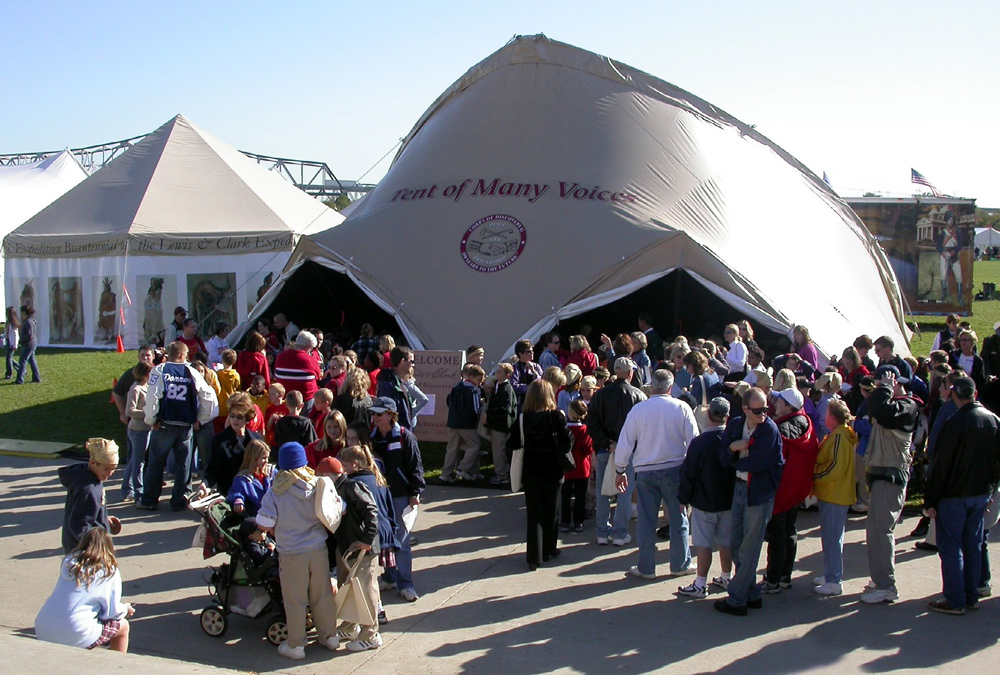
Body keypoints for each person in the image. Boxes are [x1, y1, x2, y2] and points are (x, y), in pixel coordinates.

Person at [256, 442, 339, 660]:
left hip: (291, 552)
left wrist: (273, 528)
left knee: (295, 599)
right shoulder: (317, 483)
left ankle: (296, 644)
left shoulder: (277, 490)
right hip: (318, 549)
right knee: (322, 595)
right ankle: (329, 636)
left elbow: (264, 522)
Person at [924, 377, 1000, 614]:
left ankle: (956, 599)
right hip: (980, 493)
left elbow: (941, 465)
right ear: (974, 394)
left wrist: (931, 500)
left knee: (951, 547)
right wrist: (991, 489)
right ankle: (971, 594)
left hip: (955, 494)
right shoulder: (993, 420)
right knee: (973, 544)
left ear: (955, 395)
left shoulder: (954, 423)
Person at [615, 369, 698, 579]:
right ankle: (680, 564)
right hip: (675, 469)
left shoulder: (639, 410)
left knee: (646, 521)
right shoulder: (682, 407)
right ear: (670, 387)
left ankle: (646, 567)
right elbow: (694, 441)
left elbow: (625, 442)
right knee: (679, 519)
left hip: (646, 471)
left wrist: (620, 469)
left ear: (652, 386)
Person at [715, 388, 784, 616]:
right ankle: (751, 592)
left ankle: (737, 599)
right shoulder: (736, 426)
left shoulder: (769, 431)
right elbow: (723, 456)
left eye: (766, 408)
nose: (764, 413)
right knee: (735, 543)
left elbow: (758, 463)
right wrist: (733, 448)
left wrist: (733, 456)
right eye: (758, 410)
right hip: (740, 488)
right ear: (745, 409)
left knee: (749, 547)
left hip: (759, 493)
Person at [860, 365, 921, 604]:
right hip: (881, 475)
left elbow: (883, 412)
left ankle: (886, 585)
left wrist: (884, 387)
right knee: (875, 531)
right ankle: (880, 579)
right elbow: (875, 407)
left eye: (882, 384)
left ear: (894, 382)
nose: (877, 391)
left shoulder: (909, 405)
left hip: (891, 476)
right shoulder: (888, 402)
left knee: (882, 531)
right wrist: (883, 389)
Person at [139, 341, 217, 512]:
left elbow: (152, 397)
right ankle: (179, 500)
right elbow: (208, 396)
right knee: (184, 465)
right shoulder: (192, 371)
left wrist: (151, 420)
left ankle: (150, 500)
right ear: (182, 355)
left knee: (156, 463)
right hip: (185, 425)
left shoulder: (160, 370)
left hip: (165, 424)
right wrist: (201, 418)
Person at [317, 455, 384, 651]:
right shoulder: (337, 489)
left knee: (365, 588)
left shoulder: (352, 487)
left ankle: (370, 633)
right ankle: (350, 624)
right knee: (348, 586)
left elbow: (371, 510)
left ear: (329, 474)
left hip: (362, 548)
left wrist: (366, 539)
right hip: (348, 547)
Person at [506, 380, 573, 571]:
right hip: (552, 469)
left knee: (534, 513)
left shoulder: (522, 419)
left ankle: (533, 556)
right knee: (552, 511)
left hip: (531, 469)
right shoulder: (555, 416)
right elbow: (567, 442)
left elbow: (513, 444)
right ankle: (549, 548)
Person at [35, 528, 135, 652]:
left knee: (90, 623)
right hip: (74, 631)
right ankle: (116, 667)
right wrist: (126, 608)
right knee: (123, 627)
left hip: (43, 626)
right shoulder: (109, 571)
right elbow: (112, 612)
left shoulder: (69, 563)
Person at [761, 387, 818, 593]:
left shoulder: (780, 430)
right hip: (796, 489)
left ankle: (773, 580)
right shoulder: (806, 423)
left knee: (776, 534)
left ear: (788, 406)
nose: (775, 404)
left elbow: (774, 459)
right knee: (789, 531)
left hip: (781, 489)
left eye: (779, 401)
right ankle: (785, 575)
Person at [677, 397, 735, 598]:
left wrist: (683, 498)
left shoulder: (699, 443)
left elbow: (689, 473)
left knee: (703, 545)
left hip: (704, 500)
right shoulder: (732, 440)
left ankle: (700, 584)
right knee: (726, 542)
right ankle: (726, 576)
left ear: (709, 415)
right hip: (728, 500)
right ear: (727, 416)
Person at [370, 396, 425, 601]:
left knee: (401, 541)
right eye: (373, 414)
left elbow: (416, 467)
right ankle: (389, 575)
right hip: (381, 497)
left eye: (379, 414)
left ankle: (405, 583)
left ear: (391, 415)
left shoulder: (404, 436)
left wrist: (415, 493)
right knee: (386, 540)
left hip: (401, 496)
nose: (374, 417)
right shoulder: (372, 437)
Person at [588, 357, 646, 546]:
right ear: (630, 373)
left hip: (606, 449)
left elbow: (592, 422)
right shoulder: (639, 396)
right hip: (628, 452)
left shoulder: (600, 395)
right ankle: (620, 533)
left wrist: (606, 443)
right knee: (625, 492)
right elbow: (642, 427)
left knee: (603, 491)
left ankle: (602, 532)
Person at [812, 400, 858, 596]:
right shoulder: (839, 434)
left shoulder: (839, 437)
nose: (824, 416)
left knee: (832, 538)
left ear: (833, 416)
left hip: (834, 493)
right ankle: (831, 574)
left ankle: (834, 580)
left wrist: (816, 477)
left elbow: (835, 468)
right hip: (833, 493)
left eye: (827, 413)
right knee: (831, 537)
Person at [60, 439, 122, 554]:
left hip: (80, 547)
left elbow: (88, 512)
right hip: (85, 552)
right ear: (93, 462)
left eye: (113, 469)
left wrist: (103, 519)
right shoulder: (88, 489)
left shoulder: (88, 479)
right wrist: (94, 549)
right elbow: (79, 524)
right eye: (106, 469)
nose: (110, 473)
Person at [204, 395, 264, 497]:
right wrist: (205, 485)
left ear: (247, 418)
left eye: (239, 417)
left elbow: (263, 468)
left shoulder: (256, 438)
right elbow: (212, 470)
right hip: (229, 493)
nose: (235, 420)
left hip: (253, 493)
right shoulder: (219, 440)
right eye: (232, 415)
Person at [441, 363, 486, 483]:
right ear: (471, 377)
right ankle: (463, 468)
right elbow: (476, 410)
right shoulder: (473, 390)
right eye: (479, 379)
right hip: (466, 424)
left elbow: (448, 401)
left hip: (452, 422)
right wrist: (483, 406)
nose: (480, 382)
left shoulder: (456, 387)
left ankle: (446, 473)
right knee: (475, 445)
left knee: (452, 448)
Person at [561, 399, 593, 533]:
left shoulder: (564, 429)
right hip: (582, 467)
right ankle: (579, 521)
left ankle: (565, 520)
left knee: (566, 495)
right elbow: (588, 449)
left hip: (567, 468)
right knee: (581, 496)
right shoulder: (585, 430)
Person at [122, 362, 152, 504]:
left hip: (145, 429)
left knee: (135, 460)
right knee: (138, 463)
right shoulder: (135, 389)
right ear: (144, 374)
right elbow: (130, 411)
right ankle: (138, 493)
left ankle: (127, 489)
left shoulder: (146, 387)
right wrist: (147, 413)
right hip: (138, 430)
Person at [484, 362, 517, 485]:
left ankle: (502, 475)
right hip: (495, 424)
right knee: (497, 450)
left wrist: (489, 413)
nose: (497, 374)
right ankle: (501, 473)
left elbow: (506, 409)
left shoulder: (506, 388)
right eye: (497, 371)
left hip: (501, 426)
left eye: (500, 372)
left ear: (507, 375)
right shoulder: (497, 386)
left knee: (499, 451)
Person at [274, 331, 322, 413]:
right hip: (305, 401)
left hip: (284, 400)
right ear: (307, 347)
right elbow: (319, 377)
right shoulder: (310, 360)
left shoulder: (280, 357)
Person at [227, 439, 274, 517]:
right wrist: (238, 499)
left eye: (267, 458)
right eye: (263, 458)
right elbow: (236, 492)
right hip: (257, 515)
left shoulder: (272, 472)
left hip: (274, 512)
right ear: (253, 458)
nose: (267, 461)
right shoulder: (242, 478)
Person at [376, 346, 417, 429]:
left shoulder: (400, 384)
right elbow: (384, 418)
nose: (413, 365)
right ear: (402, 362)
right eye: (411, 361)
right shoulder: (387, 385)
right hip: (394, 438)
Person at [510, 339, 544, 410]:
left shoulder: (536, 367)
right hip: (520, 403)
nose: (532, 353)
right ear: (520, 354)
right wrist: (529, 388)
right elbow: (514, 385)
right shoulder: (515, 368)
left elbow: (541, 383)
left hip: (535, 402)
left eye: (532, 351)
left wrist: (533, 371)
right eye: (528, 352)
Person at [14, 305, 40, 384]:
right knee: (32, 361)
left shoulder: (28, 322)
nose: (20, 314)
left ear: (24, 312)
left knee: (22, 361)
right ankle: (36, 378)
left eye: (21, 312)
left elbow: (29, 334)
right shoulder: (29, 321)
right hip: (31, 343)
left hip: (29, 344)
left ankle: (19, 380)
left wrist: (21, 339)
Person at [4, 305, 20, 379]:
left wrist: (14, 345)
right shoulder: (8, 322)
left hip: (12, 343)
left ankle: (9, 373)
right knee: (9, 357)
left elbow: (15, 335)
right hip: (8, 341)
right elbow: (6, 333)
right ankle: (21, 369)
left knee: (8, 358)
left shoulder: (13, 324)